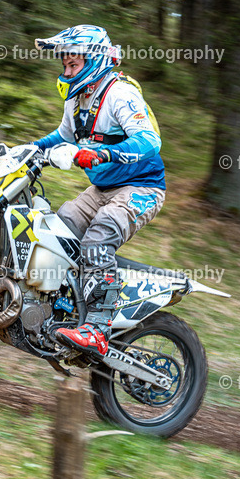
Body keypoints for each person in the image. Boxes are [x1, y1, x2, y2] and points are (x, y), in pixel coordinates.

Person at [30, 25, 166, 357]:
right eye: (64, 64)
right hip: (102, 188)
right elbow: (62, 137)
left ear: (93, 60)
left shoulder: (119, 93)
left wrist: (104, 153)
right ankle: (65, 307)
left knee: (99, 236)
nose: (66, 70)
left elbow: (150, 141)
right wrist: (27, 150)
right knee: (59, 228)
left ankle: (98, 328)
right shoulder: (77, 98)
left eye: (73, 64)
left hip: (141, 188)